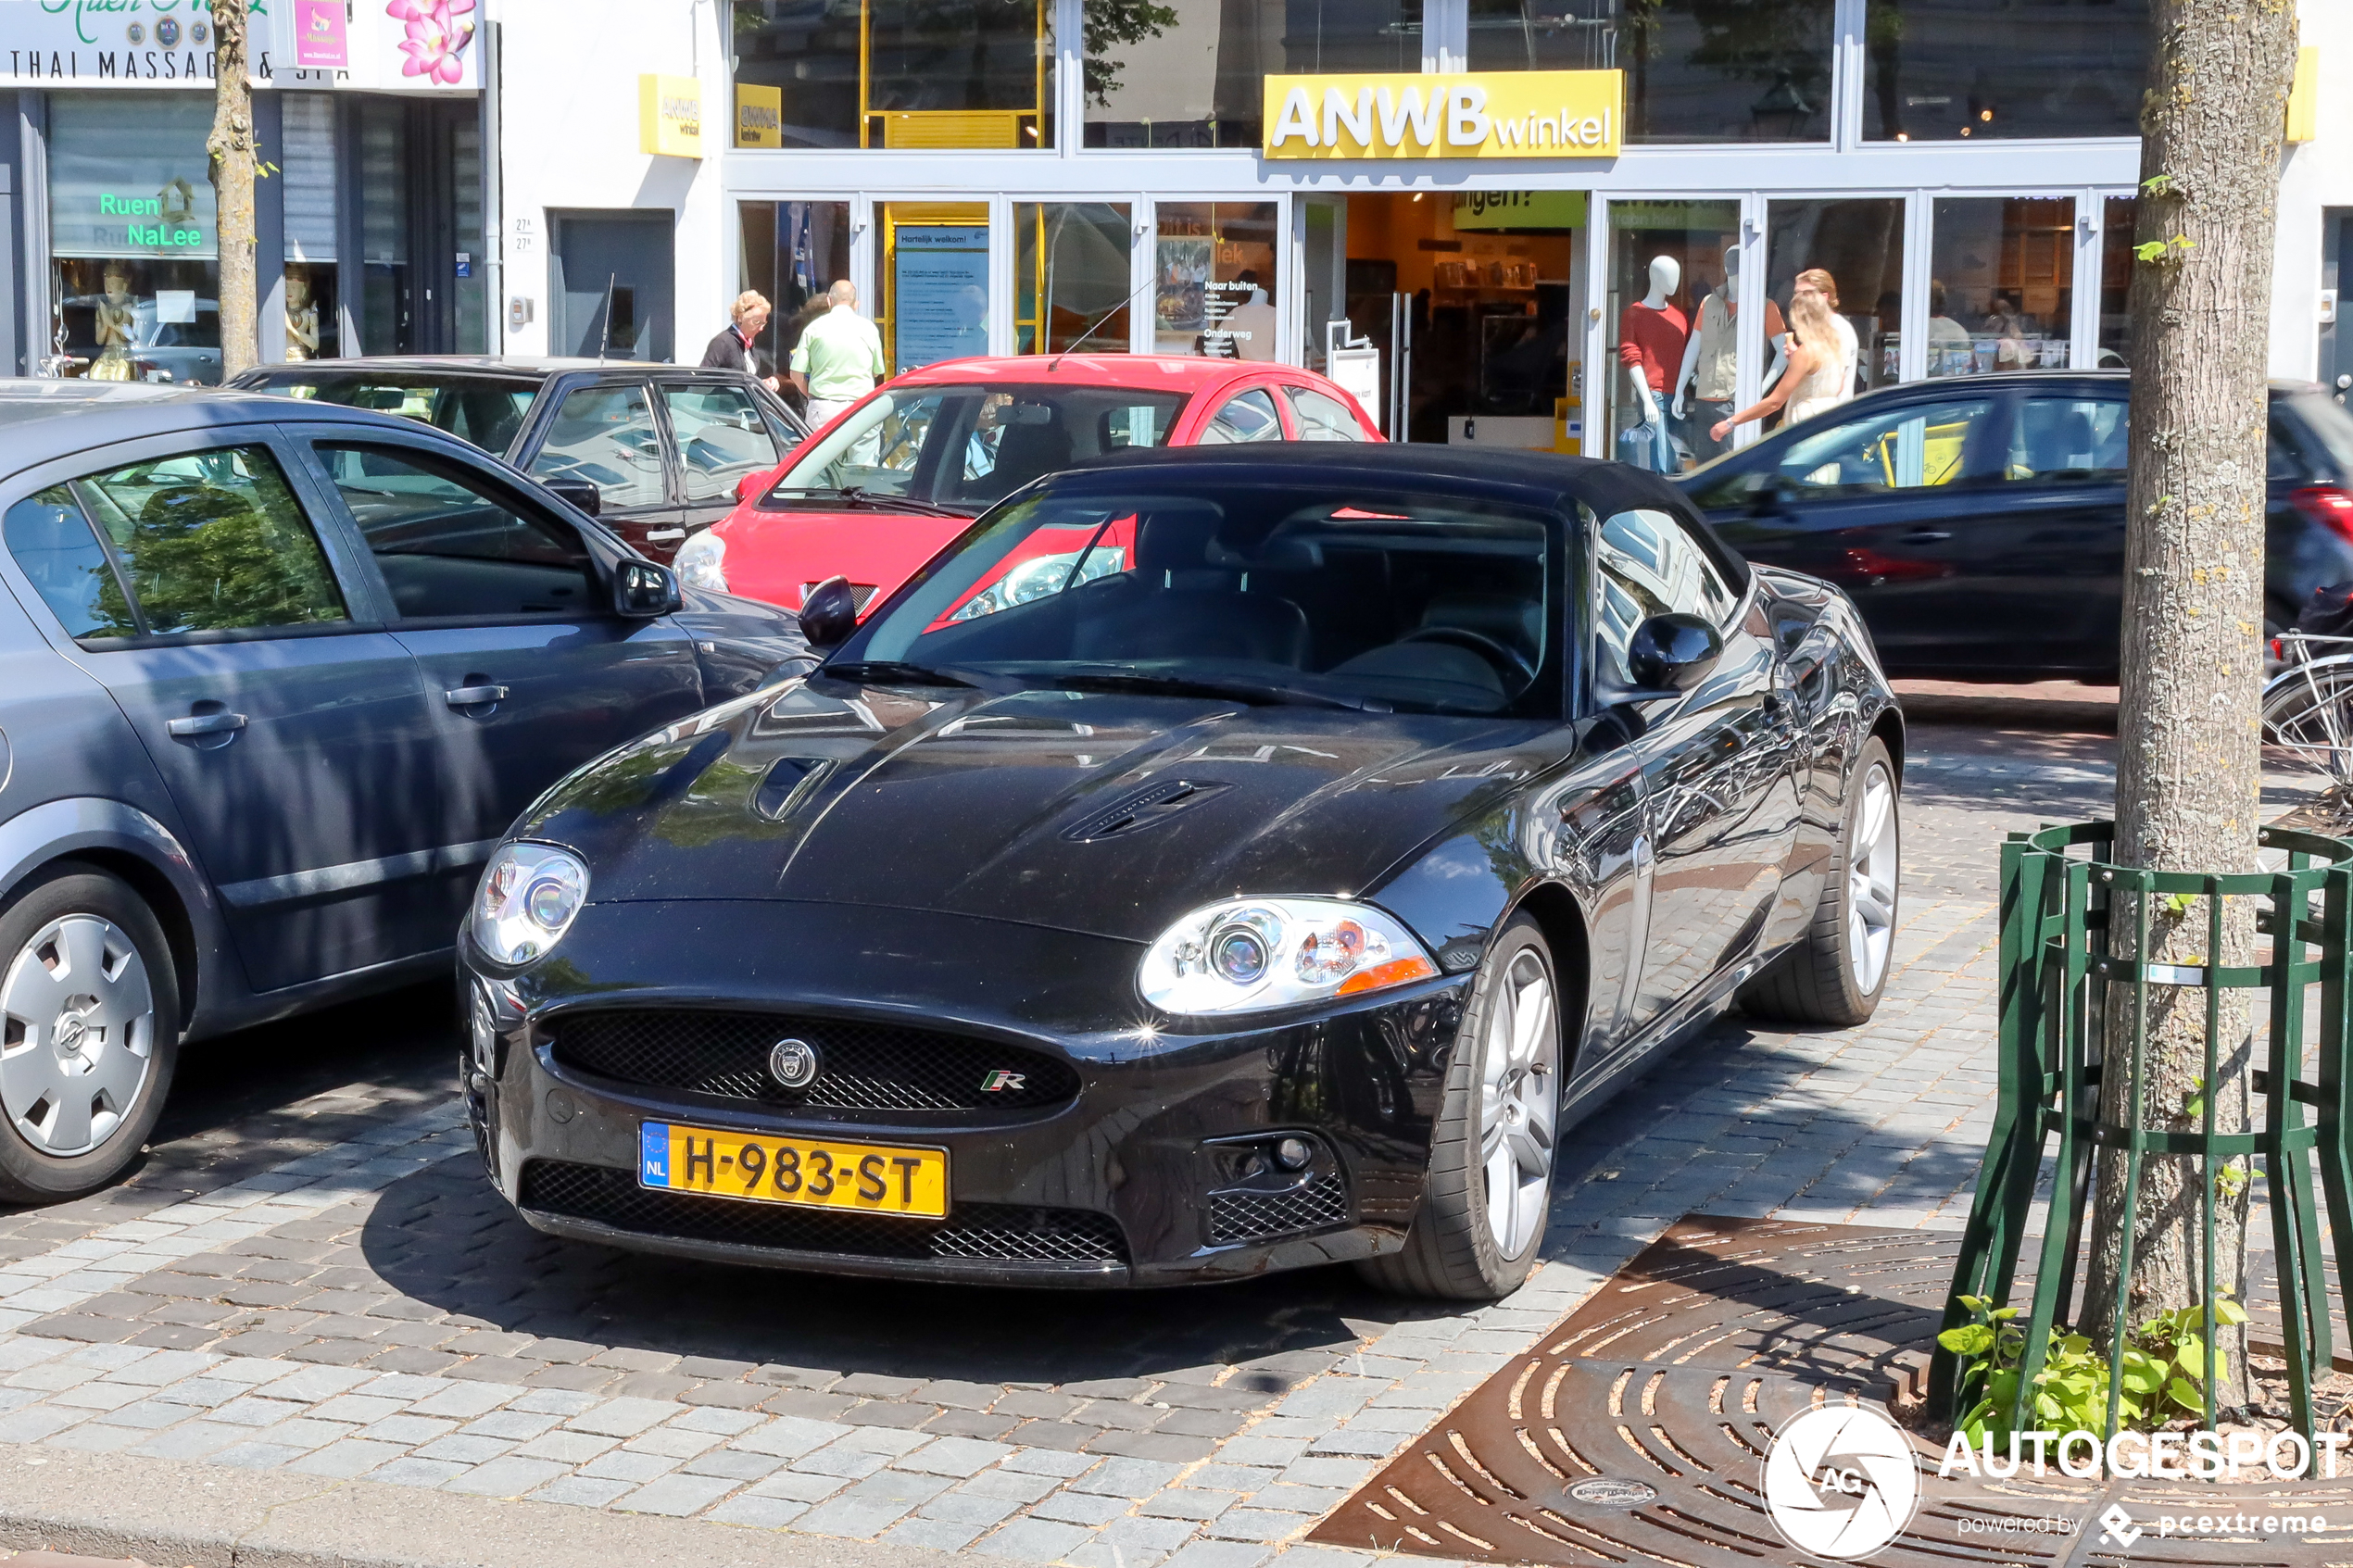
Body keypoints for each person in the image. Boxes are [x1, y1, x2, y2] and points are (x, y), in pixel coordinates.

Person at [1711, 288, 1844, 444]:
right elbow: (1836, 386)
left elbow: (1775, 402)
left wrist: (1731, 422)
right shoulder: (1835, 346)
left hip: (1806, 427)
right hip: (1831, 424)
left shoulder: (1806, 352)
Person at [790, 280, 887, 429]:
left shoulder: (813, 328)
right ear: (856, 304)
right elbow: (877, 371)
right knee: (863, 452)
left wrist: (810, 394)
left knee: (824, 452)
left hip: (823, 407)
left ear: (829, 301)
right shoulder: (869, 329)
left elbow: (796, 373)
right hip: (861, 408)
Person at [1793, 268, 1859, 398]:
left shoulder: (1839, 329)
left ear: (1825, 296)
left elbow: (1835, 380)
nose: (1798, 299)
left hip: (1833, 413)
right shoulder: (1818, 328)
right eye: (1797, 293)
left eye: (1806, 293)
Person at [699, 291, 776, 387]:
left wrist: (762, 383)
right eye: (757, 322)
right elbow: (704, 378)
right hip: (723, 401)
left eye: (763, 323)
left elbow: (747, 381)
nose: (761, 329)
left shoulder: (749, 345)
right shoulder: (722, 342)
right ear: (740, 318)